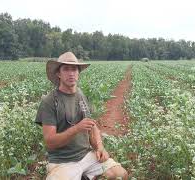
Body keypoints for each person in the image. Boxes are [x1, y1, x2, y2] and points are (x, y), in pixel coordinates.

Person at [35, 52, 128, 180]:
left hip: (86, 155)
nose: (71, 73)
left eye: (74, 69)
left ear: (78, 73)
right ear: (58, 74)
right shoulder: (49, 101)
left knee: (120, 175)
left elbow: (92, 125)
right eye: (66, 69)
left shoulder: (80, 94)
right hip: (63, 161)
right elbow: (50, 142)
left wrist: (100, 147)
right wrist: (77, 128)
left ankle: (85, 175)